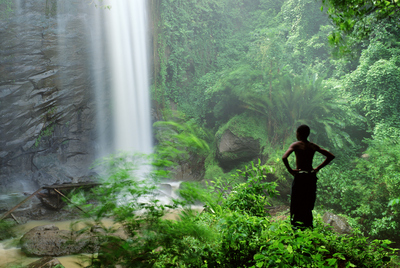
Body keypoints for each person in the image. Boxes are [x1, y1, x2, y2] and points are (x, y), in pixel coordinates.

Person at [282, 125, 335, 230]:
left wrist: (290, 170)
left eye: (296, 132)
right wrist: (317, 168)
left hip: (300, 176)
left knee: (296, 201)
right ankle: (308, 226)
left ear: (299, 133)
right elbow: (330, 156)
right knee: (308, 201)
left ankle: (296, 226)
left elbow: (284, 157)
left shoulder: (296, 145)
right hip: (310, 176)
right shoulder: (312, 146)